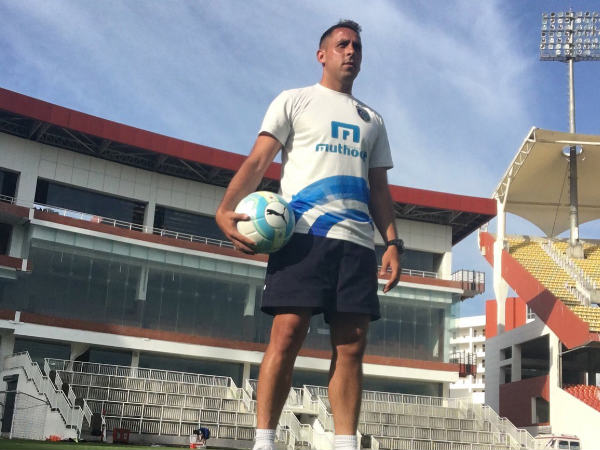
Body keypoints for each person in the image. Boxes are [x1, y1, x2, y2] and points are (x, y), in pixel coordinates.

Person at [215, 19, 402, 450]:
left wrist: (392, 241)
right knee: (287, 334)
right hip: (301, 235)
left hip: (356, 244)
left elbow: (379, 189)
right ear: (322, 55)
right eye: (342, 44)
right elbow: (258, 161)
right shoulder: (294, 100)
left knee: (351, 347)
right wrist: (225, 208)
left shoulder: (373, 120)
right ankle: (264, 441)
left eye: (357, 46)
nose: (351, 51)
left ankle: (345, 444)